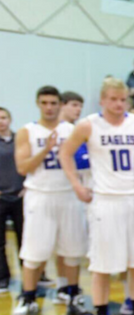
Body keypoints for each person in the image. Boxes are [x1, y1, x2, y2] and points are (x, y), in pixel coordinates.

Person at [59, 78, 134, 315]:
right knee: (102, 265)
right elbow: (65, 153)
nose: (118, 104)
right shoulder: (88, 125)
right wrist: (76, 185)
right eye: (113, 99)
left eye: (123, 99)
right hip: (105, 200)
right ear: (102, 100)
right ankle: (101, 310)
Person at [13, 86, 87, 315]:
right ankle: (28, 298)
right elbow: (23, 167)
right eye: (44, 103)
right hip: (40, 195)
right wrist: (45, 149)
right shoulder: (28, 131)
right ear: (38, 103)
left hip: (67, 194)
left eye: (53, 103)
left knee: (73, 249)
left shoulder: (72, 129)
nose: (49, 107)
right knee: (34, 252)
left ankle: (73, 295)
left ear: (60, 105)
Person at [54, 91, 87, 306]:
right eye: (74, 105)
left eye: (80, 106)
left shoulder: (77, 130)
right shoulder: (55, 130)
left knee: (69, 244)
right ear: (63, 105)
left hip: (71, 194)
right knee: (55, 244)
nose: (78, 110)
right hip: (52, 190)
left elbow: (84, 161)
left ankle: (68, 286)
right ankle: (61, 284)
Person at [0, 107, 24, 294]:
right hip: (1, 198)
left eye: (4, 117)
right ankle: (3, 278)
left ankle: (32, 277)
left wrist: (26, 187)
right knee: (1, 242)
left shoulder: (20, 140)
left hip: (20, 196)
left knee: (25, 239)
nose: (2, 121)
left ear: (10, 119)